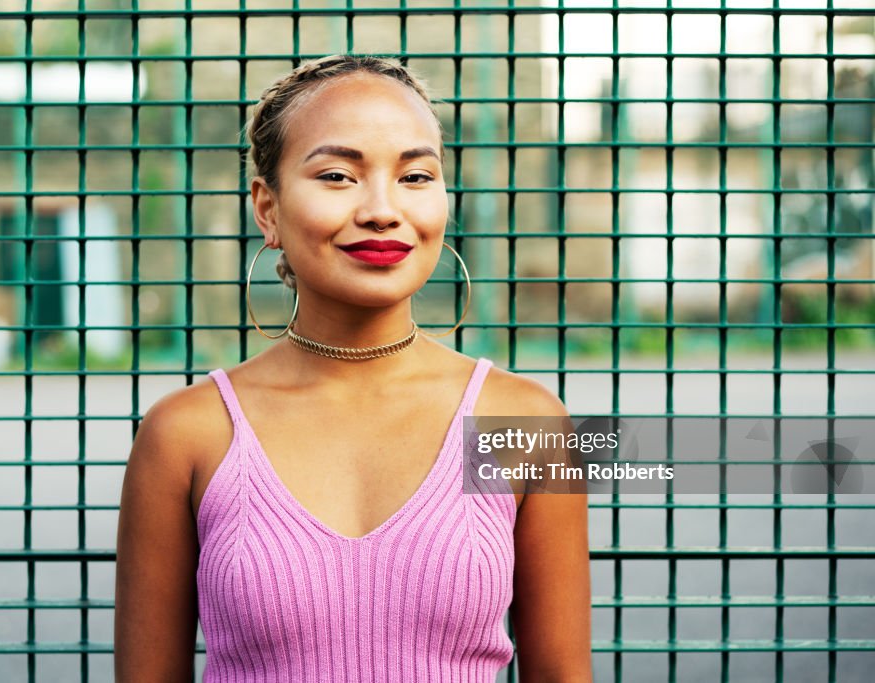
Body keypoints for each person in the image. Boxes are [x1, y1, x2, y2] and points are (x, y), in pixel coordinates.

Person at [114, 54, 591, 682]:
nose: (382, 210)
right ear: (267, 208)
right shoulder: (185, 433)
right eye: (338, 175)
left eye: (416, 176)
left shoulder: (526, 422)